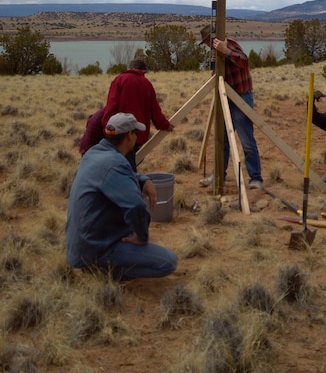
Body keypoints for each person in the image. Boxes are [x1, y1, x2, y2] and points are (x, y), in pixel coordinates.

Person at [66, 112, 178, 281]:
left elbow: (116, 176)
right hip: (95, 249)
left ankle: (100, 263)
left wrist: (143, 179)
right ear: (128, 137)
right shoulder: (115, 163)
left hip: (79, 246)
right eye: (135, 133)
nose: (137, 137)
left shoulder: (94, 153)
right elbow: (137, 207)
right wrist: (141, 236)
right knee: (168, 262)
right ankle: (105, 271)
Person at [199, 24, 263, 189]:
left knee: (246, 140)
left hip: (241, 97)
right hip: (226, 98)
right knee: (223, 141)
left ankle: (256, 178)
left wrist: (225, 51)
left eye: (207, 41)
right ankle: (219, 175)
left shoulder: (230, 44)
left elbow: (244, 62)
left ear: (212, 39)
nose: (206, 45)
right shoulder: (214, 52)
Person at [101, 58, 174, 170]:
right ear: (143, 71)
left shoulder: (119, 80)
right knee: (129, 169)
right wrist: (165, 125)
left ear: (129, 68)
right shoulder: (147, 84)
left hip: (117, 134)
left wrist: (108, 130)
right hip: (135, 136)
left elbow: (111, 106)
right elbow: (155, 111)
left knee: (117, 168)